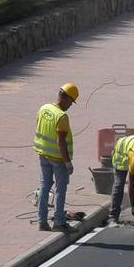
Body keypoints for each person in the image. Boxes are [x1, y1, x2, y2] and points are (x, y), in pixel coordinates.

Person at [33, 83, 78, 232]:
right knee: (60, 189)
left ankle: (42, 221)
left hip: (43, 155)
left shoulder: (44, 108)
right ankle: (59, 222)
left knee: (44, 186)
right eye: (71, 102)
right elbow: (61, 141)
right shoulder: (62, 116)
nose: (70, 105)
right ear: (65, 97)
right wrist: (68, 163)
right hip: (58, 159)